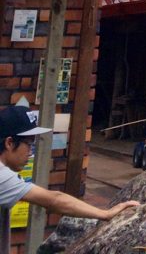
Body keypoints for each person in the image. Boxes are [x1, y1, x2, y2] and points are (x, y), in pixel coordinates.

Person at [0, 105, 137, 254]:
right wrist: (105, 214)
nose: (31, 153)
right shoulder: (2, 177)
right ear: (9, 143)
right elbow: (54, 200)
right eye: (29, 144)